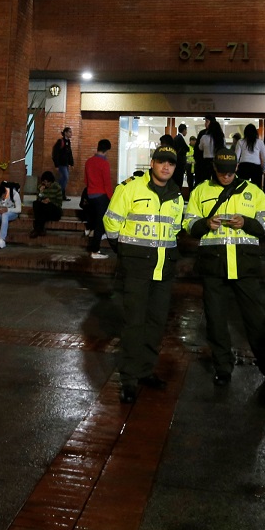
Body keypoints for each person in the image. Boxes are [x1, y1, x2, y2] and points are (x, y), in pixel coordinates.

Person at [185, 150, 265, 396]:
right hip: (213, 265)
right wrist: (205, 223)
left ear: (237, 166)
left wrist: (246, 222)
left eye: (231, 170)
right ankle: (222, 367)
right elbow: (189, 224)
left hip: (244, 264)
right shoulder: (200, 191)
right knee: (215, 320)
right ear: (214, 167)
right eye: (222, 170)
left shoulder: (254, 192)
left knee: (256, 319)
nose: (226, 175)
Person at [104, 146, 186, 404]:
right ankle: (128, 378)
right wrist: (127, 252)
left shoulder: (177, 197)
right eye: (161, 162)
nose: (166, 167)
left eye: (171, 164)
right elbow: (111, 223)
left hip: (164, 268)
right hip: (137, 267)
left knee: (155, 323)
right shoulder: (130, 188)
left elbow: (174, 231)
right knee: (134, 323)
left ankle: (145, 370)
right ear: (152, 163)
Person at [82, 139, 115, 259]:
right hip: (101, 196)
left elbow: (85, 180)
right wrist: (111, 198)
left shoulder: (89, 161)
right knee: (100, 223)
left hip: (91, 195)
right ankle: (95, 250)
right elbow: (107, 183)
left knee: (96, 220)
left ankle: (94, 232)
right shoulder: (104, 164)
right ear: (107, 150)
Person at [31, 170, 64, 237]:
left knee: (46, 207)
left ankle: (37, 229)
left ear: (50, 182)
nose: (44, 184)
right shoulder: (41, 187)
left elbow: (59, 204)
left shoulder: (57, 187)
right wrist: (41, 193)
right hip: (44, 209)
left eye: (46, 182)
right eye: (43, 182)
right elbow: (38, 199)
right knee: (36, 204)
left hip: (54, 210)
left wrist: (50, 202)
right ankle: (40, 229)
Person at [235, 122, 265, 189]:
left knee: (241, 188)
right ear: (256, 132)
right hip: (256, 167)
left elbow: (236, 157)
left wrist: (235, 168)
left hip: (243, 166)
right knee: (256, 189)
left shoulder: (240, 142)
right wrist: (263, 169)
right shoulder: (260, 142)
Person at [51, 126, 74, 198]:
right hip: (61, 164)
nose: (71, 134)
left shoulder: (68, 142)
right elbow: (55, 153)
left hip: (66, 164)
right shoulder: (60, 141)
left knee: (64, 178)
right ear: (65, 133)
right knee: (65, 177)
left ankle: (61, 193)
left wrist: (71, 163)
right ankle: (57, 191)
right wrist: (56, 165)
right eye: (69, 132)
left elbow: (69, 153)